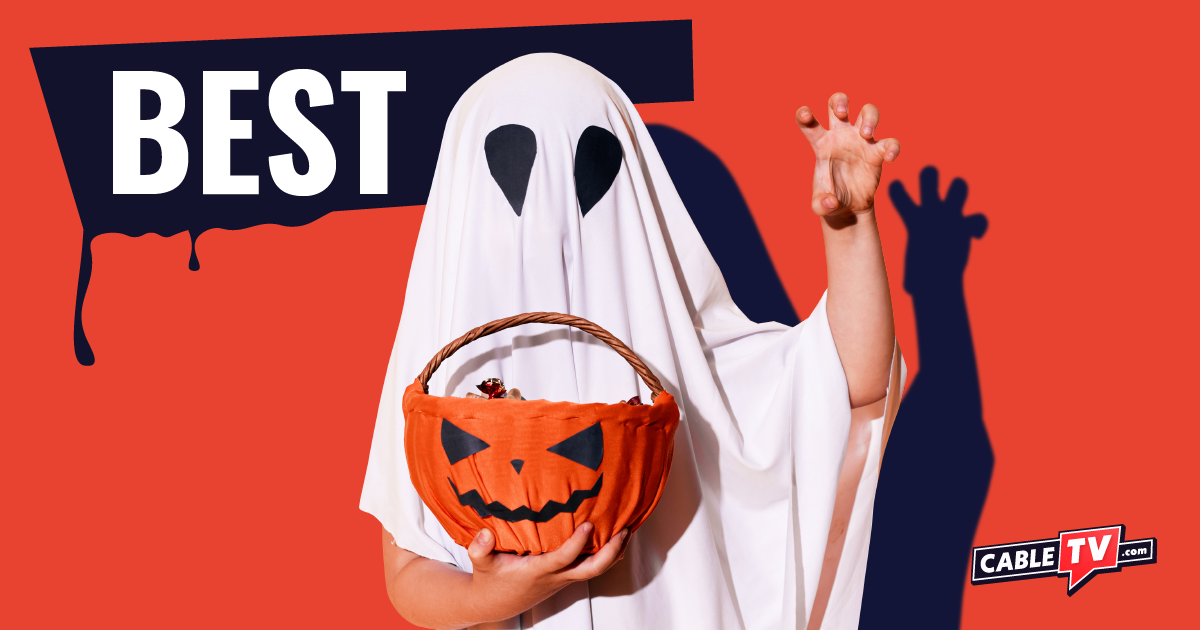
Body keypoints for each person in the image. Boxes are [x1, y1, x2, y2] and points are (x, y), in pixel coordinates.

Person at [360, 53, 905, 630]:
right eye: (515, 167)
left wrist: (850, 226)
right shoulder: (437, 374)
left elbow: (850, 383)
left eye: (586, 165)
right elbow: (407, 572)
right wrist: (494, 595)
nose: (547, 212)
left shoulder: (685, 361)